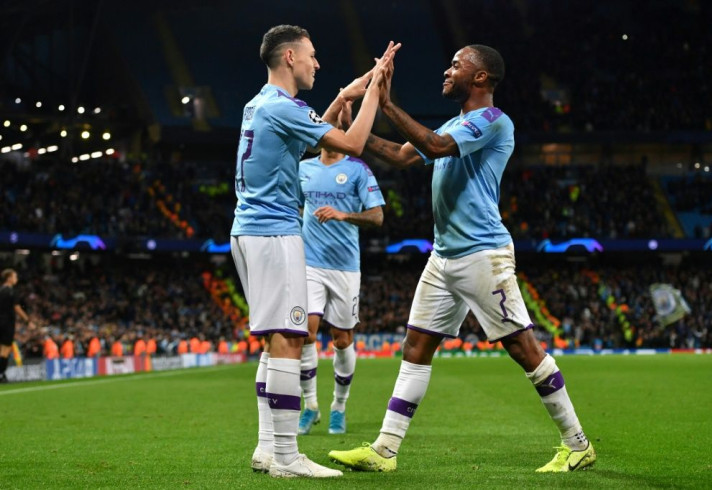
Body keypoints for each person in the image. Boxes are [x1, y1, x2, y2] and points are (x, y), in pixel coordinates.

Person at [328, 44, 596, 473]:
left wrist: (387, 102)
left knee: (523, 348)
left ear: (481, 78)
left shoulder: (492, 120)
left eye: (457, 64)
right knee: (415, 347)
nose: (447, 70)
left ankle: (577, 443)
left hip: (482, 253)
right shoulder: (457, 122)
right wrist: (349, 137)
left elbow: (434, 147)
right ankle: (384, 450)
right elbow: (401, 155)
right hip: (444, 255)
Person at [229, 24, 399, 478]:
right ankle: (287, 455)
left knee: (274, 342)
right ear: (289, 57)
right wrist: (372, 94)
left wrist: (348, 90)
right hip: (273, 233)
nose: (316, 63)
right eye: (312, 55)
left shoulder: (259, 104)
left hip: (248, 231)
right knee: (289, 338)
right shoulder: (282, 106)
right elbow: (351, 143)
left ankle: (268, 448)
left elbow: (309, 132)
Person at [296, 137, 385, 436]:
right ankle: (310, 406)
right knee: (305, 331)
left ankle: (338, 406)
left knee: (343, 340)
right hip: (309, 263)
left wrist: (343, 214)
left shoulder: (358, 169)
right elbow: (295, 207)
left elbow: (377, 216)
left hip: (345, 267)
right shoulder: (303, 169)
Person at [0, 269, 34, 383]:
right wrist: (28, 320)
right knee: (5, 349)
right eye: (15, 277)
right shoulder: (11, 291)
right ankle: (1, 374)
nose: (16, 279)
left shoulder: (0, 291)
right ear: (9, 278)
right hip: (7, 323)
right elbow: (17, 308)